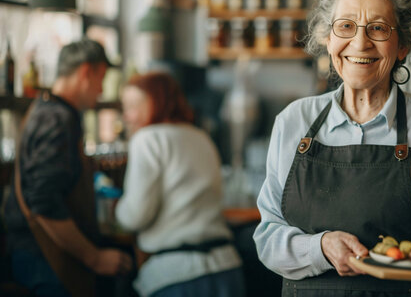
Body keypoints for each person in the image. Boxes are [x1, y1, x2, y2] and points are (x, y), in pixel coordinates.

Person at [253, 0, 411, 296]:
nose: (360, 43)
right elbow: (267, 238)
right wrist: (320, 248)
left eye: (377, 28)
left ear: (402, 46)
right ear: (327, 38)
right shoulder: (293, 121)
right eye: (345, 26)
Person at [4, 39, 133, 297]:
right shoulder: (57, 119)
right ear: (86, 72)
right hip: (44, 257)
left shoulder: (46, 108)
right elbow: (44, 201)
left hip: (44, 253)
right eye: (101, 79)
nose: (100, 91)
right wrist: (95, 258)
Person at [115, 72, 245, 297]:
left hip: (177, 276)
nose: (127, 116)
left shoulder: (147, 139)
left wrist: (116, 208)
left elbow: (136, 215)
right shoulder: (200, 137)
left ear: (156, 102)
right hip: (227, 268)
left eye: (134, 106)